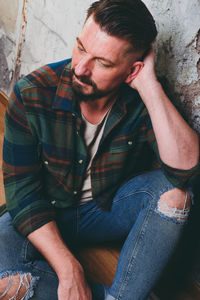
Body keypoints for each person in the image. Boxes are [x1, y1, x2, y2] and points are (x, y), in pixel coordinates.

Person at [0, 0, 199, 299]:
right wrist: (70, 269)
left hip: (106, 209)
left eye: (102, 63)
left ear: (132, 69)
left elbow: (184, 172)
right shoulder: (32, 93)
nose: (80, 68)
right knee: (7, 286)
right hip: (45, 212)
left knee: (176, 196)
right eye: (81, 48)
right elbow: (24, 196)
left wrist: (148, 86)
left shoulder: (141, 98)